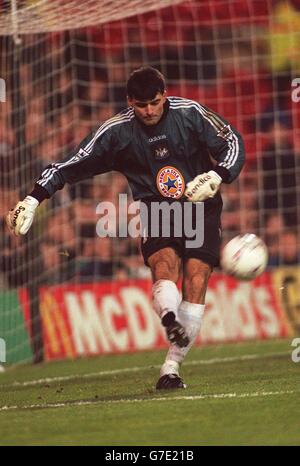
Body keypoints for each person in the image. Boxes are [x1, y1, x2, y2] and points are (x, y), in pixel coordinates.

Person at [6, 66, 245, 389]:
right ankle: (169, 319)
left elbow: (233, 141)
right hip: (157, 209)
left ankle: (171, 367)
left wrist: (217, 177)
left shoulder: (190, 114)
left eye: (155, 103)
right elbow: (67, 166)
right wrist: (33, 199)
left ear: (165, 96)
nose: (148, 111)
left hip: (201, 206)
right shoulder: (116, 132)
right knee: (164, 266)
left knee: (197, 276)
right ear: (129, 102)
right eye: (140, 105)